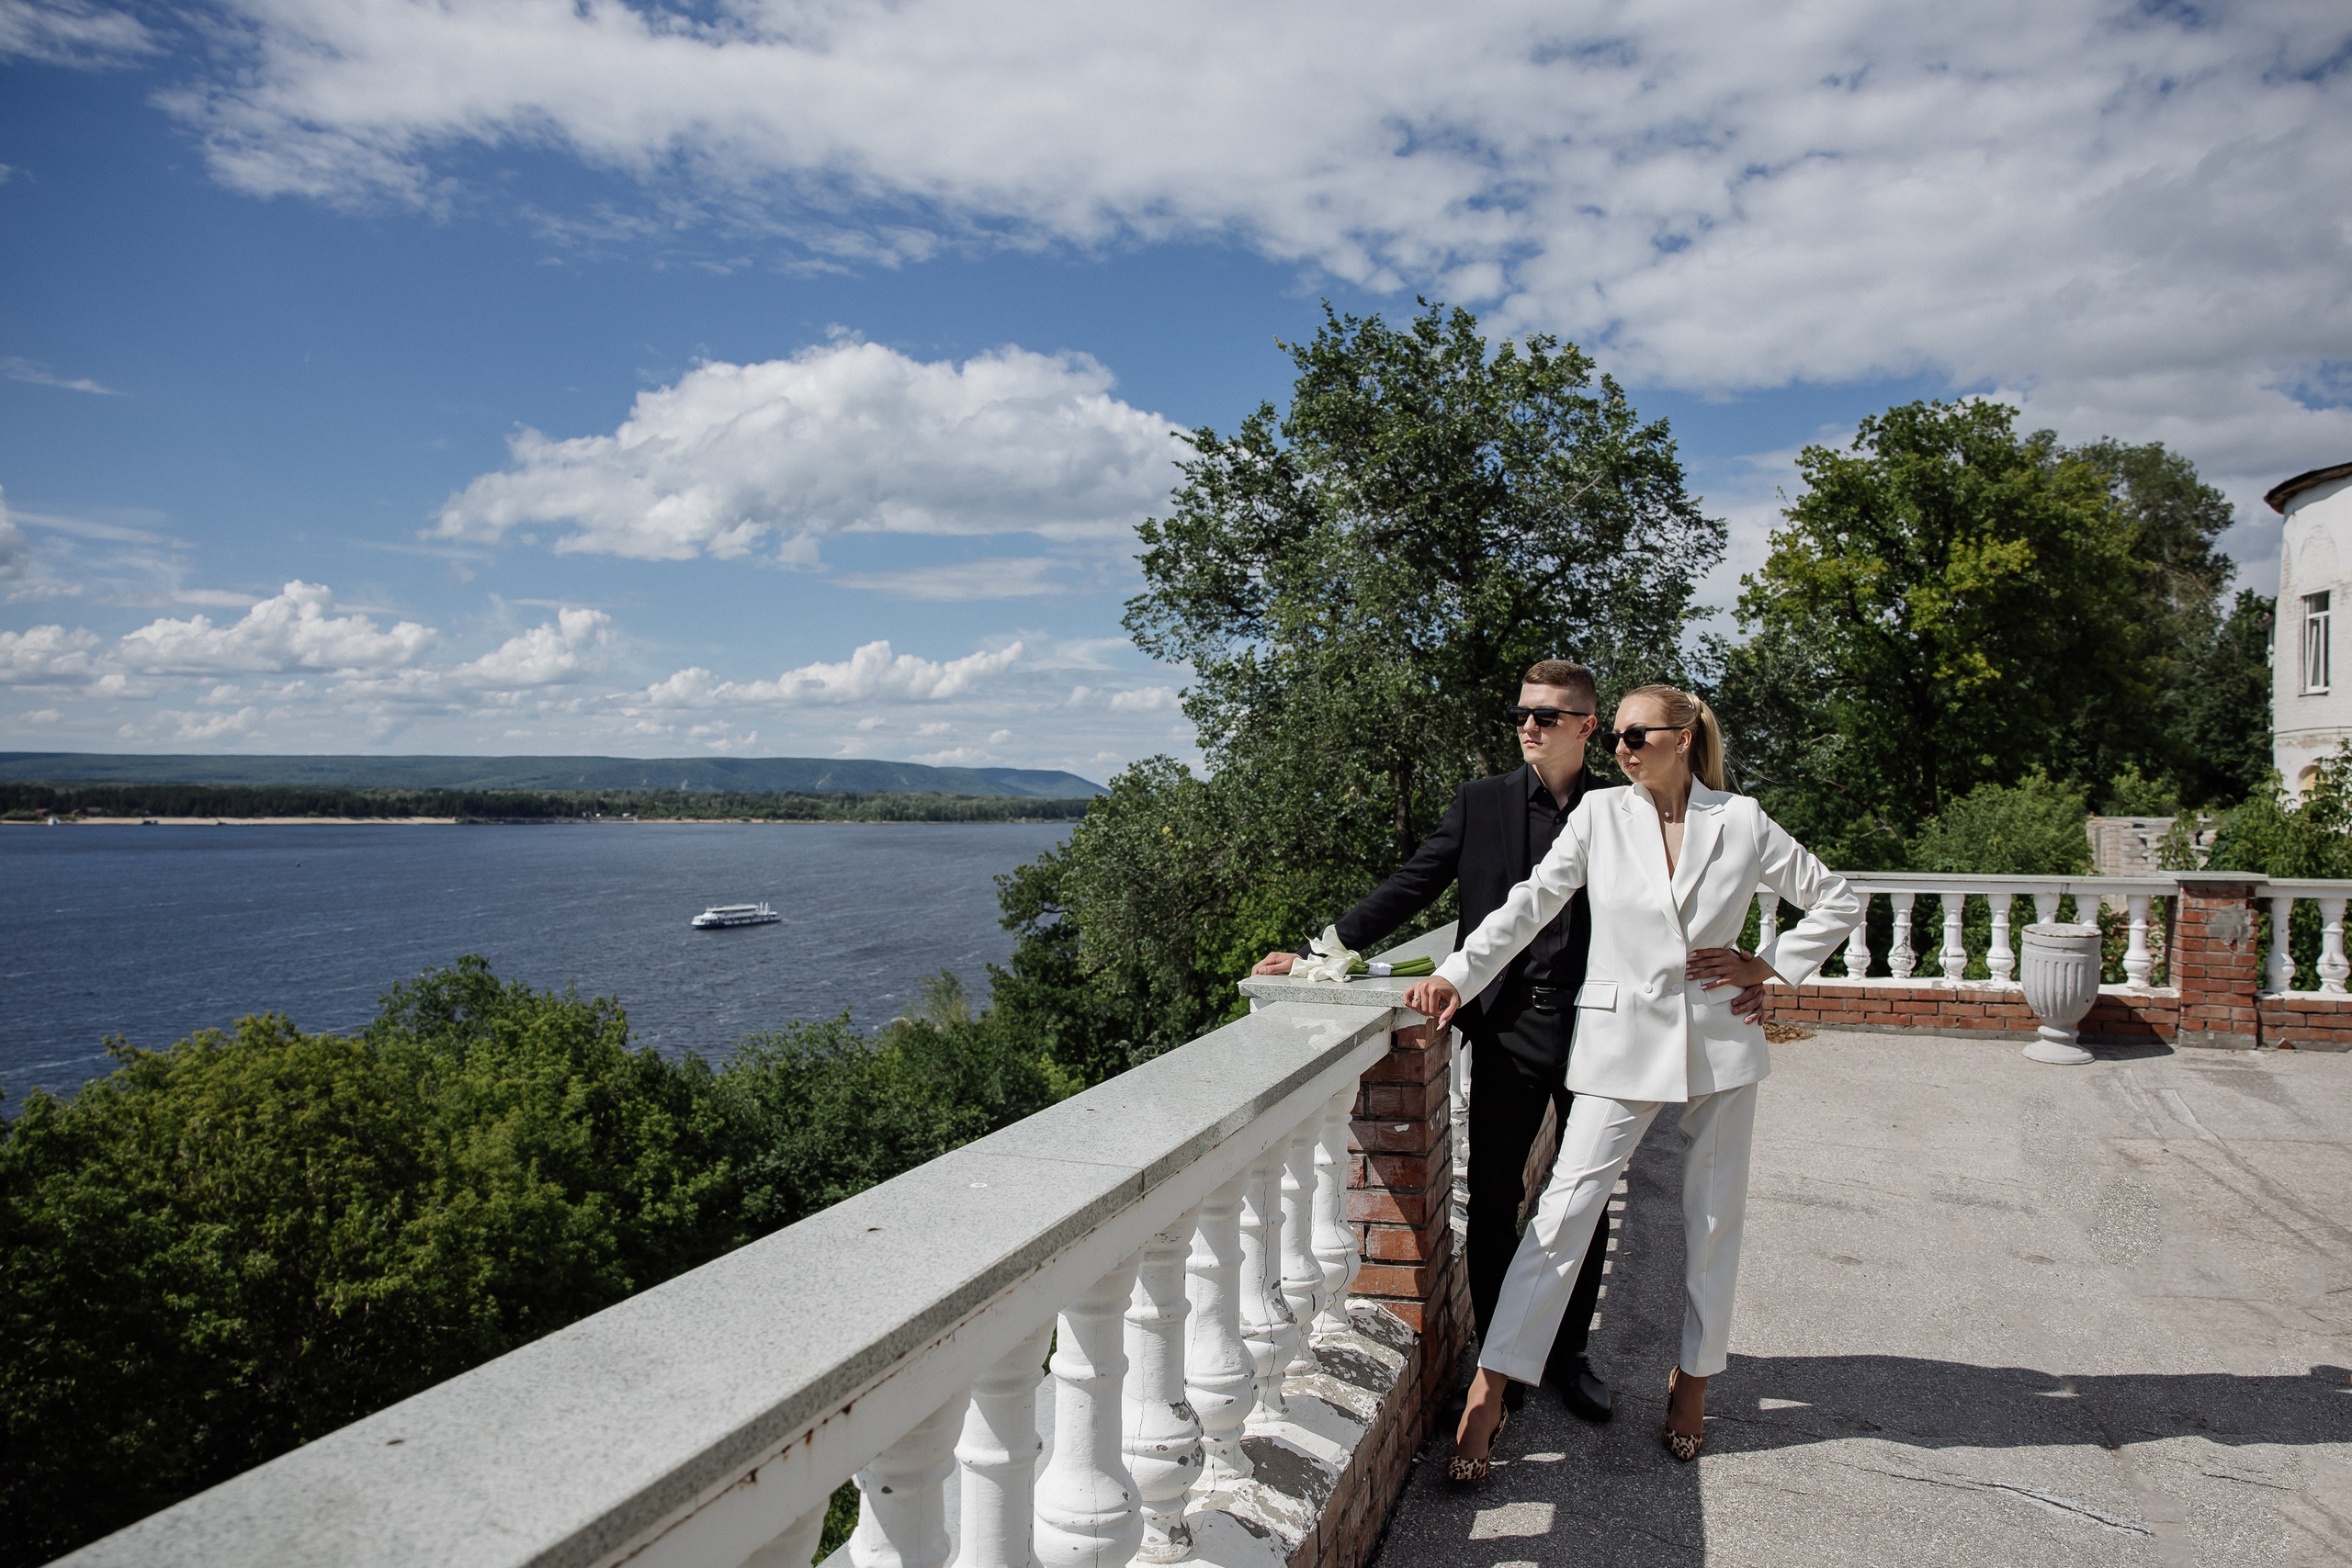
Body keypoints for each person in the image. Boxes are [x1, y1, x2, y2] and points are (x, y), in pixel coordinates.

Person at [1252, 660, 1767, 1424]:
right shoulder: (1481, 803)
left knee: (1582, 1199)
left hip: (1605, 1028)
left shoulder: (1626, 804)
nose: (1529, 726)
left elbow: (1690, 905)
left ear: (1588, 728)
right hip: (1507, 1030)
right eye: (1522, 713)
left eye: (1548, 716)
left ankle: (1568, 1357)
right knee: (1493, 1199)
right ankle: (1503, 1356)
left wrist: (1754, 968)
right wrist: (1324, 948)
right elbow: (1414, 883)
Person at [1403, 683, 1860, 1479]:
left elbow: (1837, 897)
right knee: (1564, 1210)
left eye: (1636, 733)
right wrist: (1457, 973)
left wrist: (1770, 965)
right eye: (1614, 733)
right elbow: (1530, 903)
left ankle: (1693, 1378)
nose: (1620, 746)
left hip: (1721, 1042)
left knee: (1715, 1219)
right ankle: (1492, 1383)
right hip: (1617, 1043)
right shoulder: (1600, 816)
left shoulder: (1741, 821)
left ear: (1682, 737)